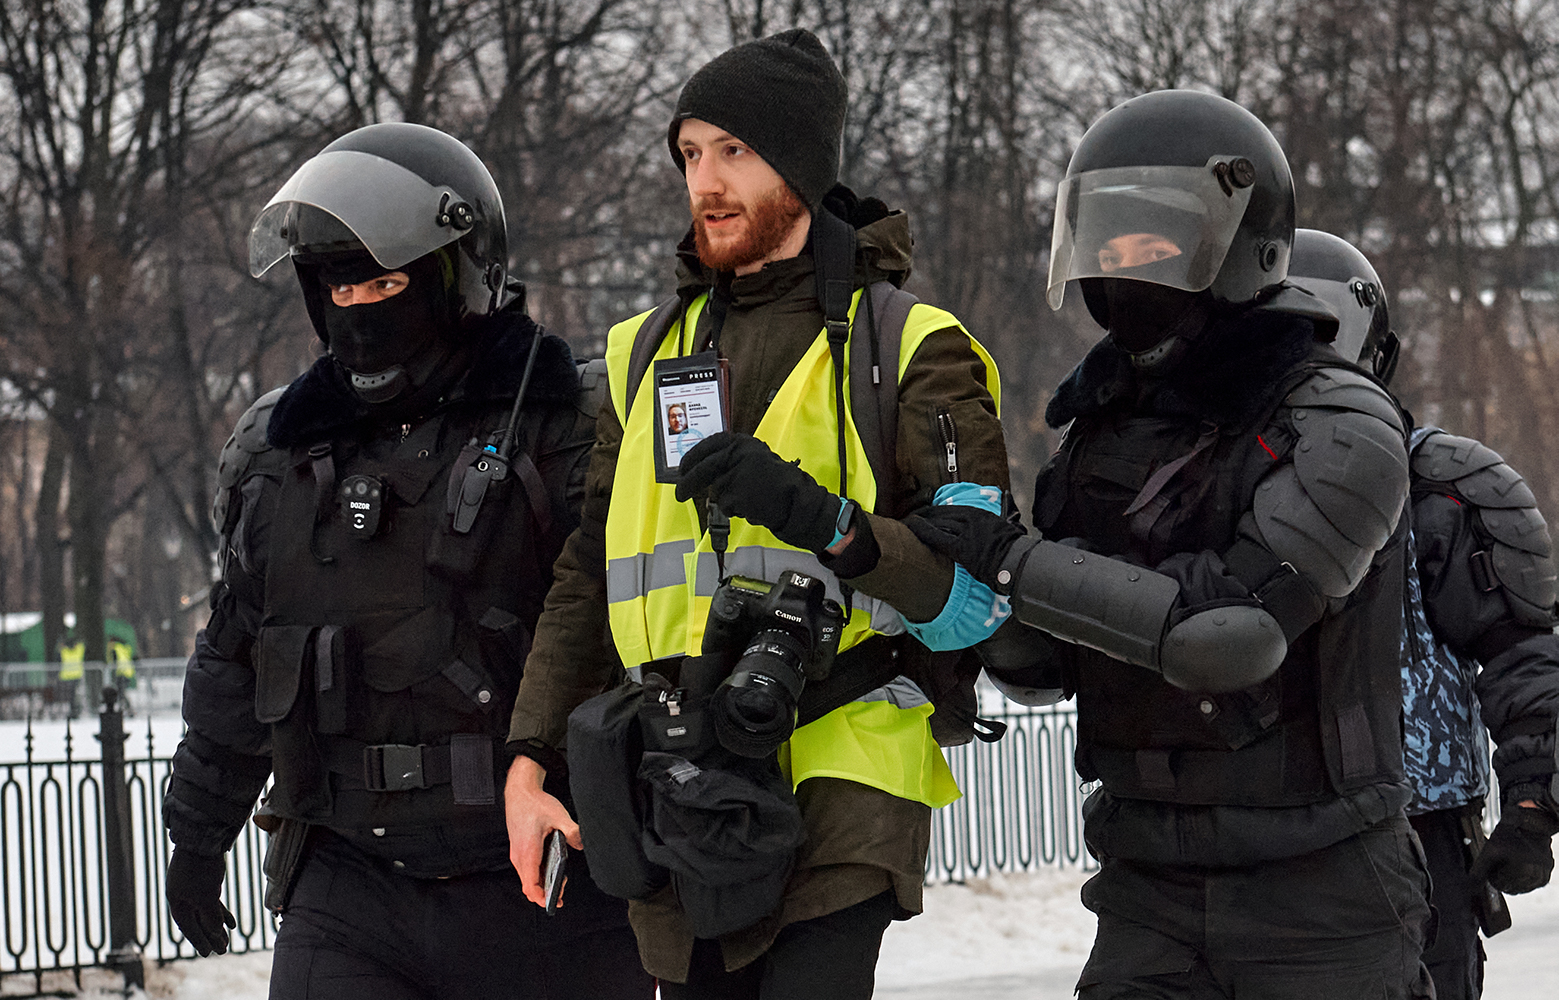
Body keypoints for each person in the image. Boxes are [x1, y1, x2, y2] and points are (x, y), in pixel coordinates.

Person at [503, 28, 1010, 999]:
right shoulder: (636, 355)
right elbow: (586, 568)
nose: (706, 181)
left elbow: (975, 600)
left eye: (733, 150)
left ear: (801, 167)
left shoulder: (910, 347)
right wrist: (529, 758)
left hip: (840, 765)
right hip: (679, 773)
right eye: (690, 154)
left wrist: (818, 517)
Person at [905, 90, 1437, 998]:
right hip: (1145, 887)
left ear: (1238, 242)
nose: (1123, 268)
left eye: (1150, 242)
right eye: (1106, 244)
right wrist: (947, 588)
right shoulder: (1100, 432)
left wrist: (1009, 561)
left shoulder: (1341, 419)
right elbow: (1047, 665)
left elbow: (1226, 635)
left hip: (1322, 893)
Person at [161, 122, 653, 999]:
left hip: (544, 882)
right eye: (337, 290)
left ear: (455, 275)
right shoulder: (276, 456)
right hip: (348, 890)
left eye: (384, 284)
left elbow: (641, 632)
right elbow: (236, 656)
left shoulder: (566, 426)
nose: (359, 313)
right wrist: (198, 834)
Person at [1288, 228, 1559, 1000]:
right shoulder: (1207, 472)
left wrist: (1533, 801)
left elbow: (1518, 652)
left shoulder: (1438, 485)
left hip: (1417, 838)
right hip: (1248, 841)